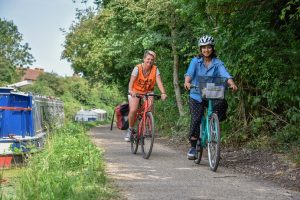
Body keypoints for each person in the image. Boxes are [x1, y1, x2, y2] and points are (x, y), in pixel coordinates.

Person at [184, 35, 238, 159]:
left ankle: (213, 123)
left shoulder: (217, 63)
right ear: (200, 49)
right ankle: (193, 146)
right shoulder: (195, 61)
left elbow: (225, 74)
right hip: (196, 94)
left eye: (208, 47)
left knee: (223, 103)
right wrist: (187, 82)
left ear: (212, 48)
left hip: (212, 94)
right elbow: (189, 73)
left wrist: (231, 83)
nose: (206, 50)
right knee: (196, 118)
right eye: (203, 47)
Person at [124, 50, 167, 141]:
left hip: (148, 91)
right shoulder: (137, 68)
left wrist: (163, 93)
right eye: (148, 59)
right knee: (134, 109)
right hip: (135, 91)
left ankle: (147, 127)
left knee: (149, 106)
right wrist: (131, 91)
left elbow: (159, 82)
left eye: (152, 59)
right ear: (144, 59)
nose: (150, 61)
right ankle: (130, 129)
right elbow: (131, 82)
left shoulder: (155, 69)